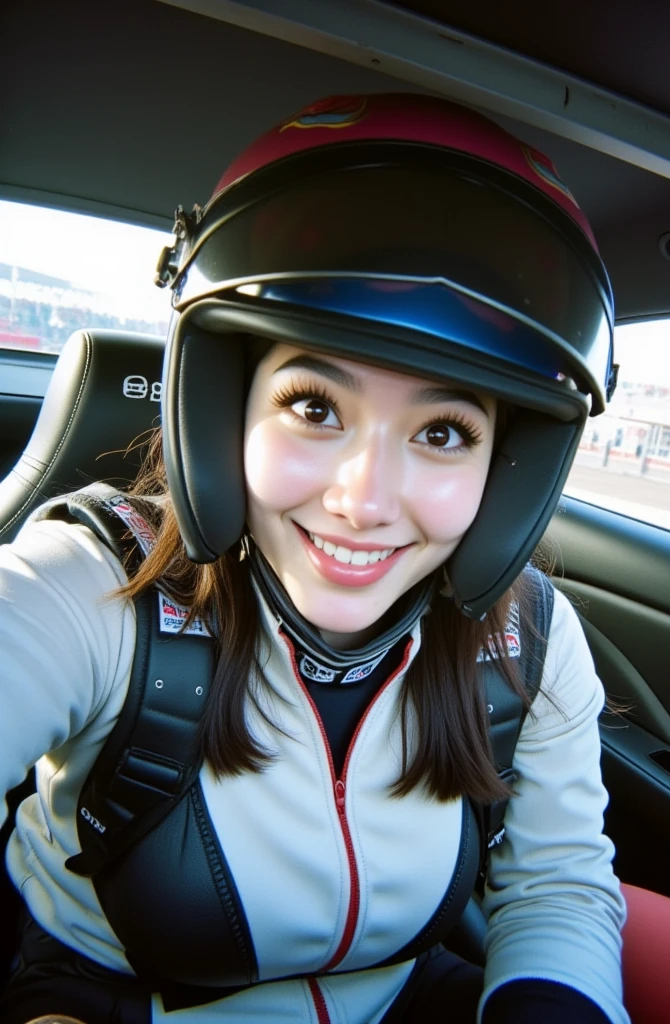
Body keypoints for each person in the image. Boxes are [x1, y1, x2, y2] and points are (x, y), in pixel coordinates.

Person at [0, 93, 629, 1023]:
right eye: (314, 406)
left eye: (446, 430)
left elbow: (558, 888)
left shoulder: (527, 640)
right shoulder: (86, 591)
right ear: (227, 407)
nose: (364, 503)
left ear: (507, 469)